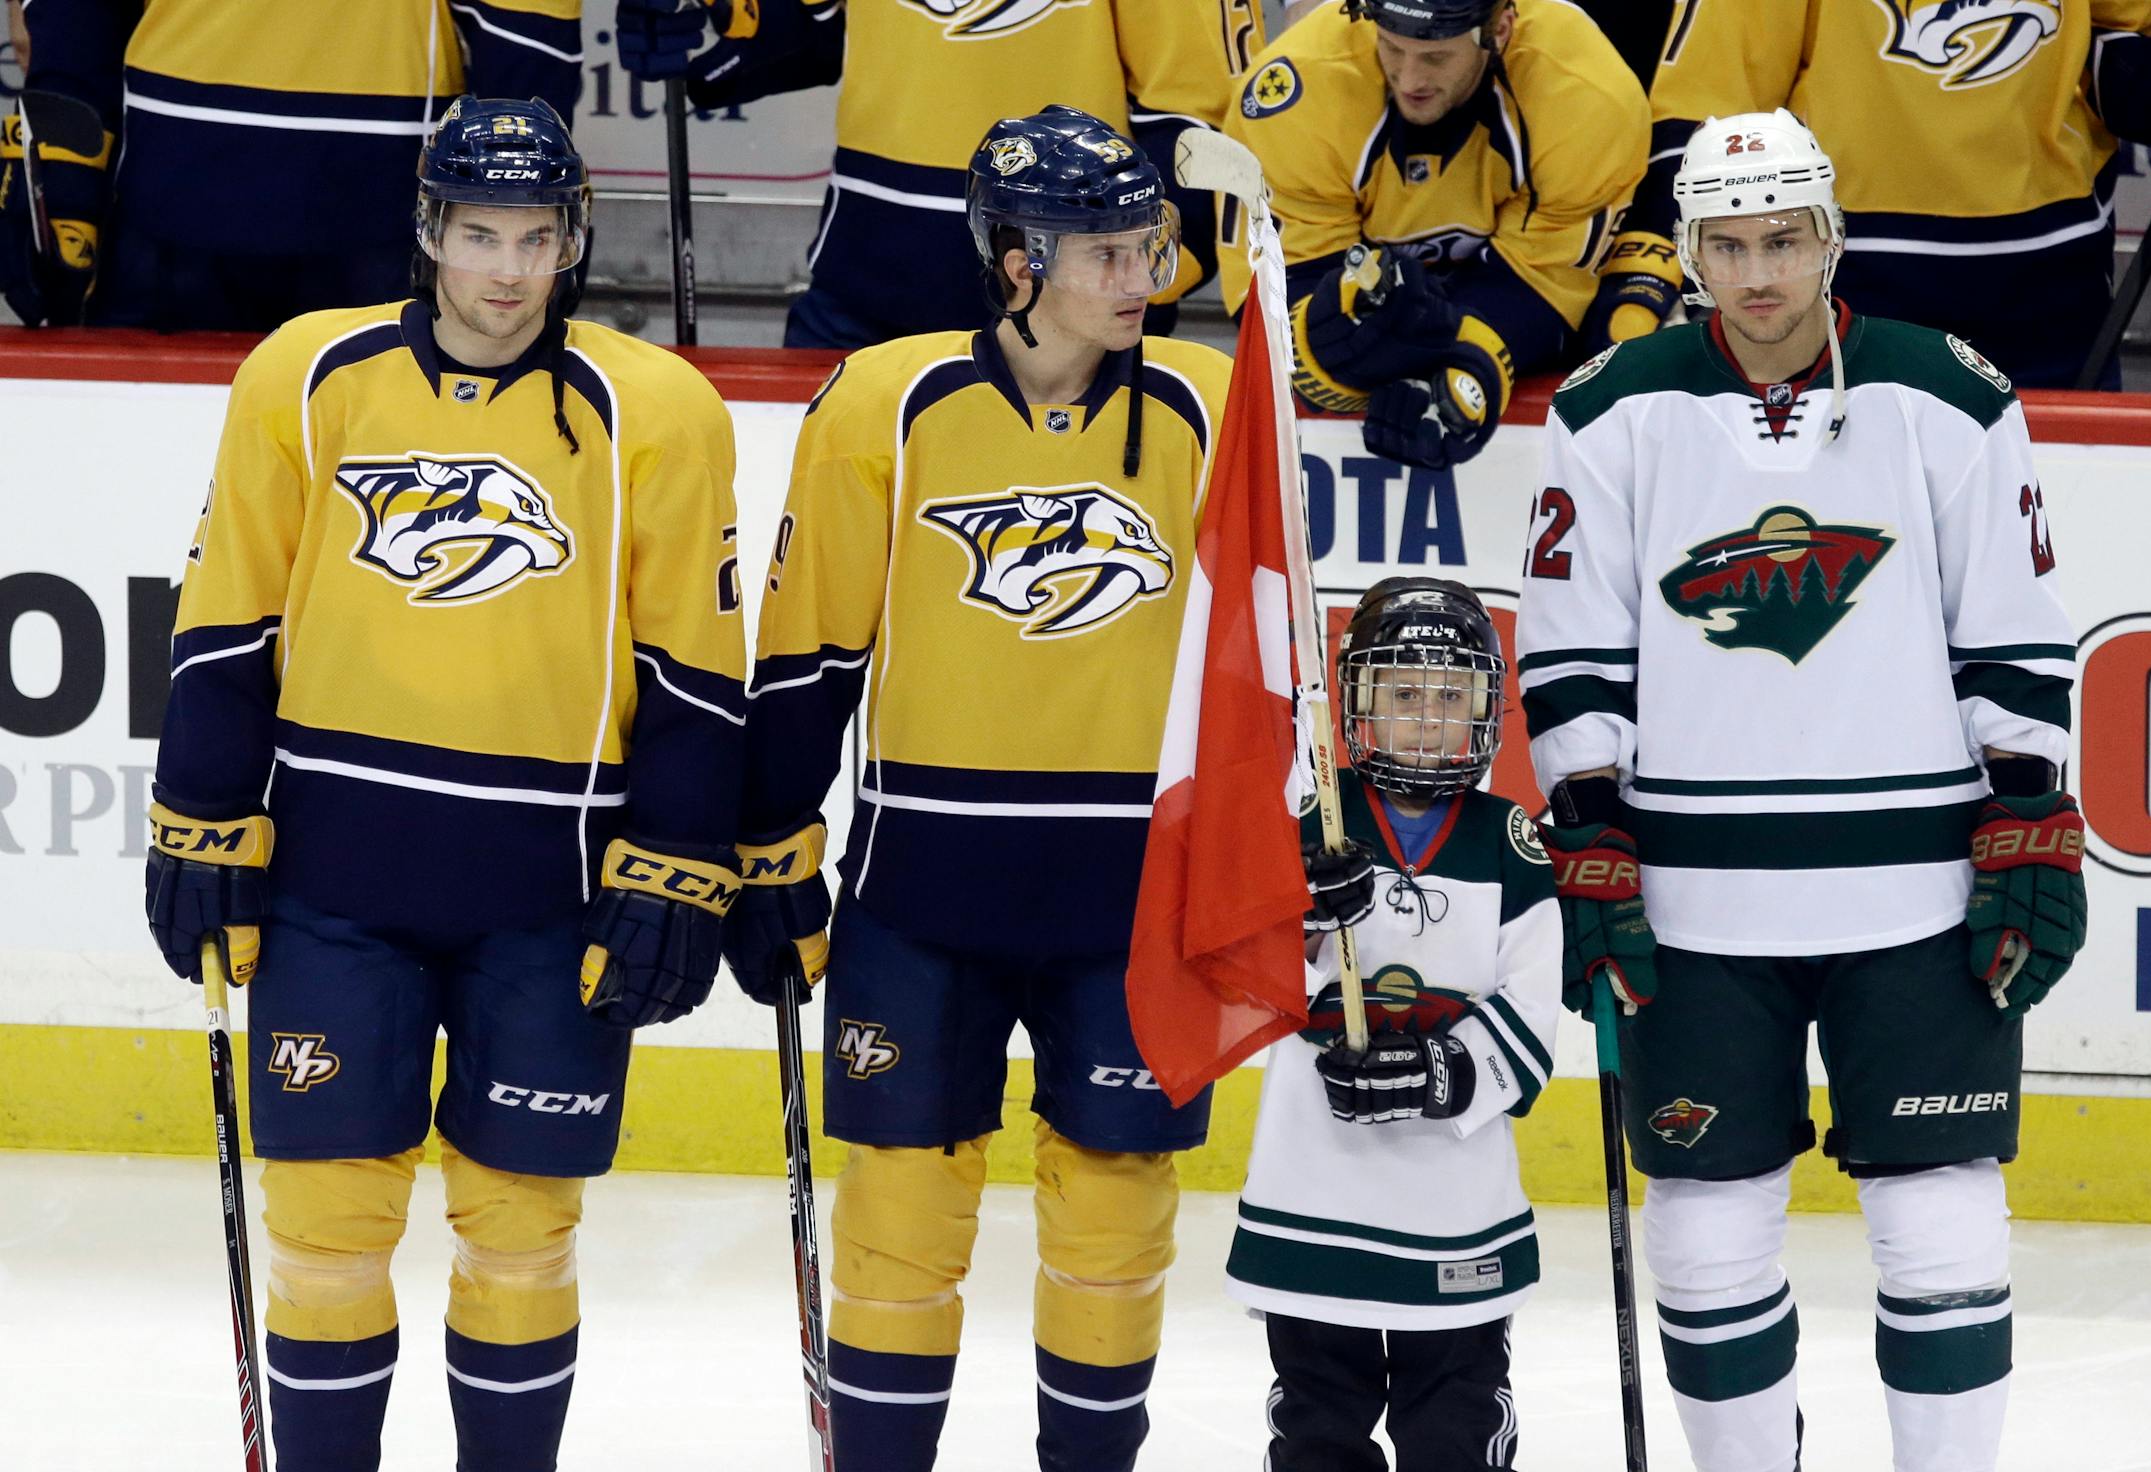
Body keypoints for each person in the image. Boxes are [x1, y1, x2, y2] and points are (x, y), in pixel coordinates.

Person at [143, 97, 746, 1472]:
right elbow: (227, 620)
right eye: (479, 234)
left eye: (536, 238)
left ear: (573, 239)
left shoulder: (659, 408)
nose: (507, 271)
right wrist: (199, 818)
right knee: (325, 1238)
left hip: (549, 901)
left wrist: (678, 864)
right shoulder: (308, 373)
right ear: (429, 231)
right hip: (331, 889)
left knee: (522, 1239)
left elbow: (696, 672)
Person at [1517, 110, 2087, 1472]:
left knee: (1941, 1218)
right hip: (1694, 899)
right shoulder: (1608, 408)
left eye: (1784, 239)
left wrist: (2027, 819)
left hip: (1918, 888)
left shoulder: (1947, 392)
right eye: (1728, 244)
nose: (1759, 272)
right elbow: (1574, 648)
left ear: (1831, 238)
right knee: (1705, 1230)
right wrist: (1590, 827)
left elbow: (2013, 628)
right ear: (1690, 253)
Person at [721, 104, 1232, 1472]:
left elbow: (1256, 671)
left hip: (1135, 903)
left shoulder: (1211, 402)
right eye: (1107, 251)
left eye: (1150, 245)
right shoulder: (883, 402)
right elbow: (808, 655)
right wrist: (772, 850)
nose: (1143, 274)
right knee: (897, 1224)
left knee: (1115, 1222)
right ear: (1018, 263)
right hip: (921, 900)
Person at [1226, 579, 1561, 1472]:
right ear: (1358, 701)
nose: (1426, 719)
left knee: (1455, 1435)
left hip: (1454, 1207)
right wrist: (1299, 915)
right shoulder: (1310, 820)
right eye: (1404, 693)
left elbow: (1531, 1017)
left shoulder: (1509, 841)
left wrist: (1439, 1072)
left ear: (1486, 710)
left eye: (1450, 697)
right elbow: (1239, 973)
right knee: (1317, 1437)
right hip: (1314, 1195)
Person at [611, 0, 1261, 347]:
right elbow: (813, 26)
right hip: (861, 295)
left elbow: (1198, 121)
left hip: (1066, 315)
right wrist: (704, 31)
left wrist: (1132, 277)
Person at [1580, 0, 2151, 388]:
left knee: (2058, 513)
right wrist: (1659, 267)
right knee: (1842, 518)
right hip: (1844, 277)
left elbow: (2126, 31)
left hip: (2051, 279)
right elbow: (1712, 106)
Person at [1218, 0, 1648, 470]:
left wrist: (1472, 367)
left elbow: (1542, 281)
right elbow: (1281, 292)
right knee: (1325, 335)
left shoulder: (1585, 95)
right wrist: (1335, 352)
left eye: (1435, 57)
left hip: (1508, 278)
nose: (1409, 79)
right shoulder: (1302, 90)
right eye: (1391, 47)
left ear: (1499, 30)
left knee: (1626, 329)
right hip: (1364, 279)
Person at [1, 0, 580, 331]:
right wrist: (61, 179)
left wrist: (523, 206)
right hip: (357, 210)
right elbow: (525, 40)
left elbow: (523, 33)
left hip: (210, 201)